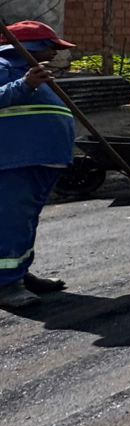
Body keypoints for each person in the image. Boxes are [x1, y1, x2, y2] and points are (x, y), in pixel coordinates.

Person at [0, 21, 76, 310]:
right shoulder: (5, 67)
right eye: (50, 46)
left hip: (40, 158)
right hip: (15, 159)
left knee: (25, 220)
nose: (56, 52)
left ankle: (19, 273)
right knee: (11, 220)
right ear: (29, 46)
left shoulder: (32, 72)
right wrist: (24, 85)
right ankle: (5, 284)